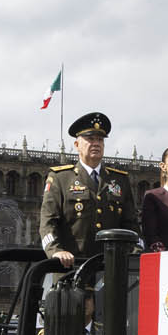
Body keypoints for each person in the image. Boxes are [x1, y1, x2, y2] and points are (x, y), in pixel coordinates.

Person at [39, 111, 140, 266]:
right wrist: (55, 251)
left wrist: (135, 252)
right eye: (90, 139)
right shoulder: (60, 178)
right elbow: (48, 222)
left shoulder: (119, 180)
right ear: (77, 145)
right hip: (72, 266)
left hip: (111, 268)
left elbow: (130, 224)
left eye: (100, 139)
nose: (96, 143)